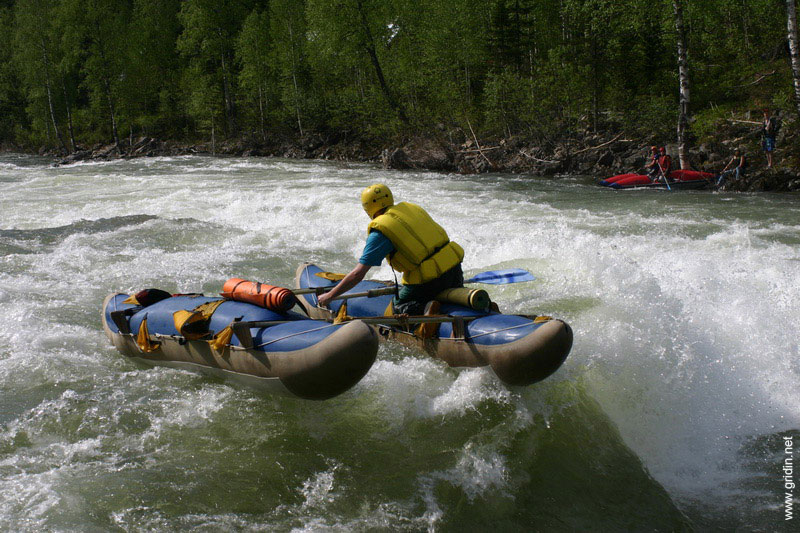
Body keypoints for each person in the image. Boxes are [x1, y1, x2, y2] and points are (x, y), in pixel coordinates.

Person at [317, 184, 465, 316]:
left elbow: (358, 274)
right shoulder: (411, 209)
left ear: (368, 207)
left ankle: (425, 309)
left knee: (398, 308)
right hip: (454, 269)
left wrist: (329, 296)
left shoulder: (380, 232)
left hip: (427, 281)